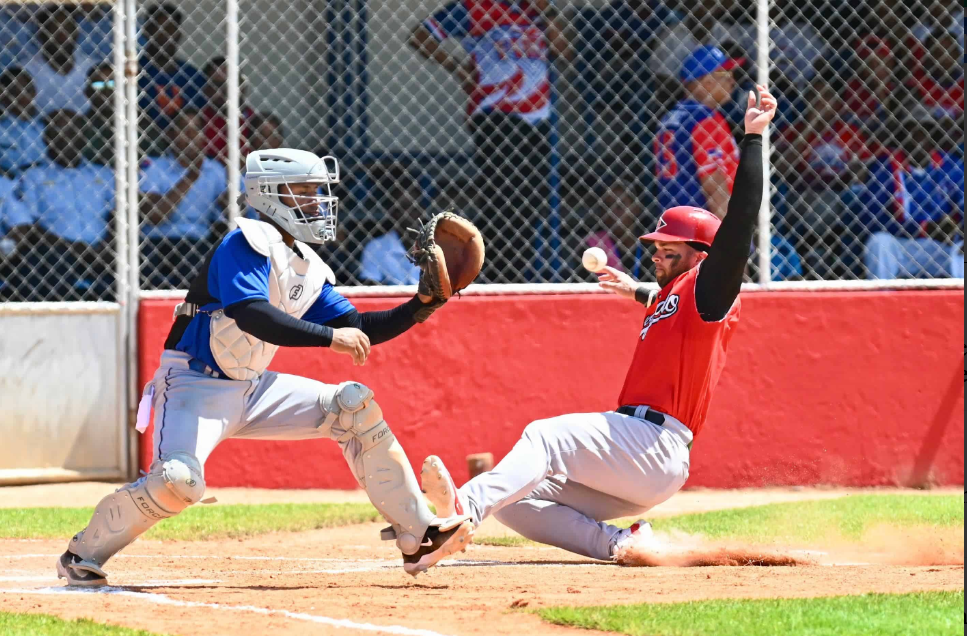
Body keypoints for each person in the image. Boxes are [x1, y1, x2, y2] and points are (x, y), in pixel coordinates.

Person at [56, 148, 474, 588]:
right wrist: (329, 338)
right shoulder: (245, 242)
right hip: (195, 384)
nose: (318, 202)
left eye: (319, 192)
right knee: (177, 481)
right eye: (307, 192)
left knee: (353, 406)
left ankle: (419, 534)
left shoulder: (306, 265)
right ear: (271, 194)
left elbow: (357, 327)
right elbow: (251, 313)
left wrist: (423, 305)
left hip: (252, 386)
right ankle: (82, 554)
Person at [419, 87, 776, 562]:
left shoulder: (711, 288)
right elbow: (664, 300)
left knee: (545, 435)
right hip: (638, 457)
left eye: (670, 249)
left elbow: (740, 222)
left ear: (702, 257)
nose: (657, 254)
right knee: (519, 500)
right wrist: (635, 289)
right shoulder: (675, 295)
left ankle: (463, 509)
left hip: (654, 442)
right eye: (657, 247)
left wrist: (752, 138)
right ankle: (622, 545)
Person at [409, 0, 570, 282]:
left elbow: (564, 50)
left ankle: (514, 273)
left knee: (531, 202)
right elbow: (420, 36)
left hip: (536, 118)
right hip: (497, 114)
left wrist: (547, 11)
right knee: (504, 200)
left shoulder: (538, 10)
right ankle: (494, 273)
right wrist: (459, 69)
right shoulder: (476, 7)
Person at [776, 76, 874, 279]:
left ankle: (846, 268)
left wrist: (851, 171)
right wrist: (811, 125)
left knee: (856, 197)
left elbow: (861, 175)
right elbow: (781, 169)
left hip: (840, 195)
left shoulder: (850, 132)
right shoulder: (794, 131)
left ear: (837, 104)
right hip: (803, 195)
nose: (821, 103)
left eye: (827, 97)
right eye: (815, 98)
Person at [13, 109, 115, 301]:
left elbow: (117, 215)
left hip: (105, 250)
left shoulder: (104, 174)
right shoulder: (32, 176)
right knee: (44, 260)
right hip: (57, 252)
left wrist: (109, 245)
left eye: (72, 132)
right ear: (46, 139)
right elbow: (30, 226)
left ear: (84, 137)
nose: (65, 139)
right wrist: (72, 249)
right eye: (57, 132)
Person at [861, 105, 964, 279]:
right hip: (903, 247)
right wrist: (922, 228)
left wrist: (957, 229)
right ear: (902, 136)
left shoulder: (950, 165)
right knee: (878, 243)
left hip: (943, 249)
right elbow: (870, 219)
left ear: (933, 136)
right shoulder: (885, 167)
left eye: (925, 130)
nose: (918, 137)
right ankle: (880, 303)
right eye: (911, 130)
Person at [138, 109, 235, 289]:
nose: (190, 136)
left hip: (198, 242)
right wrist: (191, 176)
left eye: (196, 130)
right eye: (184, 129)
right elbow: (155, 216)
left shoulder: (215, 170)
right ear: (171, 135)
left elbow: (228, 214)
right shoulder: (154, 166)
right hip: (157, 242)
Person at [655, 45, 739, 220]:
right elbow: (713, 184)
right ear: (706, 81)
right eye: (725, 74)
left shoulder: (668, 119)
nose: (732, 81)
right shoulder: (706, 119)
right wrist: (732, 234)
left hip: (671, 221)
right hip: (702, 224)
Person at [138, 4, 206, 155]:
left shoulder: (192, 76)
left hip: (186, 152)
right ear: (146, 32)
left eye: (169, 28)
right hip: (145, 151)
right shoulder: (134, 74)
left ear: (178, 34)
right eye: (157, 28)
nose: (163, 34)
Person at [24, 6, 99, 116]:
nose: (62, 36)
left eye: (67, 29)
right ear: (41, 34)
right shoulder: (25, 71)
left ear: (76, 33)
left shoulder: (93, 68)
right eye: (54, 30)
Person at [359, 168, 424, 285]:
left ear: (421, 210)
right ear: (391, 212)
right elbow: (370, 287)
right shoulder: (375, 248)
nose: (406, 214)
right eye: (400, 209)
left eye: (413, 208)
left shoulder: (437, 244)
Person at [201, 56, 254, 165]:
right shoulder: (199, 122)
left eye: (230, 84)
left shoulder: (254, 121)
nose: (225, 90)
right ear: (206, 89)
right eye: (217, 84)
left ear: (242, 86)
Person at [0, 67, 45, 176]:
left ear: (35, 91)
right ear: (3, 95)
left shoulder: (47, 123)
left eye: (27, 90)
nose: (22, 97)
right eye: (14, 92)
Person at [81, 62, 115, 166]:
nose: (107, 90)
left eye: (112, 83)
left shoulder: (141, 123)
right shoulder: (80, 128)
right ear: (87, 91)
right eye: (98, 85)